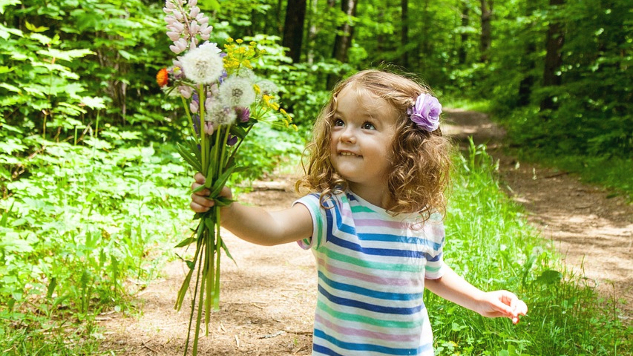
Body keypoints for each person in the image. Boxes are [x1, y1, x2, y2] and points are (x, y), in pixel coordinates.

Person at [190, 69, 528, 356]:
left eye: (367, 125)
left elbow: (433, 274)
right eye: (339, 122)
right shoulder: (330, 209)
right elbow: (272, 227)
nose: (346, 135)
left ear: (407, 144)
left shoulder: (422, 218)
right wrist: (228, 211)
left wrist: (479, 298)